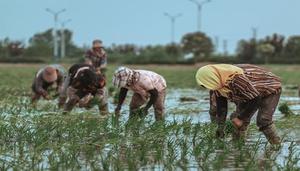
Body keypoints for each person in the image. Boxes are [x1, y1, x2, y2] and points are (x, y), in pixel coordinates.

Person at [196, 64, 282, 145]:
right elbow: (221, 106)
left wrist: (241, 118)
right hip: (248, 92)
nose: (208, 87)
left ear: (211, 77)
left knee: (263, 120)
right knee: (236, 119)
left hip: (269, 89)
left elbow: (255, 99)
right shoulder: (218, 83)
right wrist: (220, 126)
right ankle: (238, 147)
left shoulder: (236, 80)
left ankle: (276, 145)